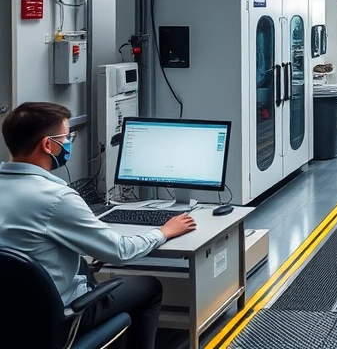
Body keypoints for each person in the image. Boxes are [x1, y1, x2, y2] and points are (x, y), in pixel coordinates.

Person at [0, 102, 197, 349]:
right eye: (67, 137)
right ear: (48, 145)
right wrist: (165, 231)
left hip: (7, 316)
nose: (68, 142)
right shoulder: (56, 198)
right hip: (55, 318)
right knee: (149, 287)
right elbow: (120, 251)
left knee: (85, 267)